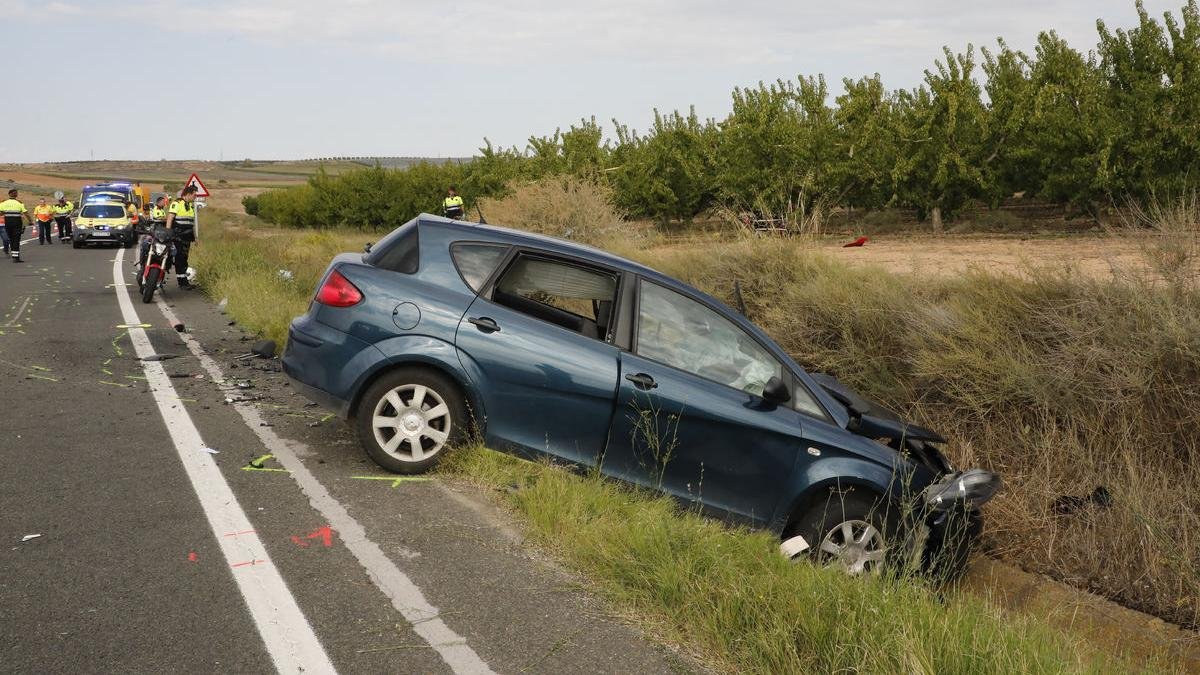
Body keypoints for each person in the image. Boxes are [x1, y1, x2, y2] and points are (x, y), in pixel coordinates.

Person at [165, 185, 198, 288]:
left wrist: (195, 237)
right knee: (180, 259)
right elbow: (170, 219)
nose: (195, 197)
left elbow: (191, 223)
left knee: (184, 258)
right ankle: (182, 283)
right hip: (178, 236)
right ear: (188, 194)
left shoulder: (190, 206)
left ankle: (184, 281)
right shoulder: (176, 203)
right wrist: (168, 233)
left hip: (187, 237)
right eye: (194, 195)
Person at [136, 195, 170, 269]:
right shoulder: (155, 210)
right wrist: (168, 219)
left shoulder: (162, 210)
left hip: (161, 233)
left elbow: (164, 221)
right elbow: (159, 219)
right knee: (144, 244)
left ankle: (167, 265)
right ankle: (141, 262)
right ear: (159, 202)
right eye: (163, 202)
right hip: (154, 233)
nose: (164, 203)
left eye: (147, 209)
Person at [0, 189, 33, 263]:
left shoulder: (3, 203)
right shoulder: (19, 203)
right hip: (17, 224)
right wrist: (30, 221)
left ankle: (14, 255)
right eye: (16, 193)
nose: (16, 194)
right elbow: (26, 213)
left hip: (8, 224)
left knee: (11, 239)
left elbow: (1, 213)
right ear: (11, 194)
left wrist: (5, 213)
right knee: (16, 240)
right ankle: (16, 257)